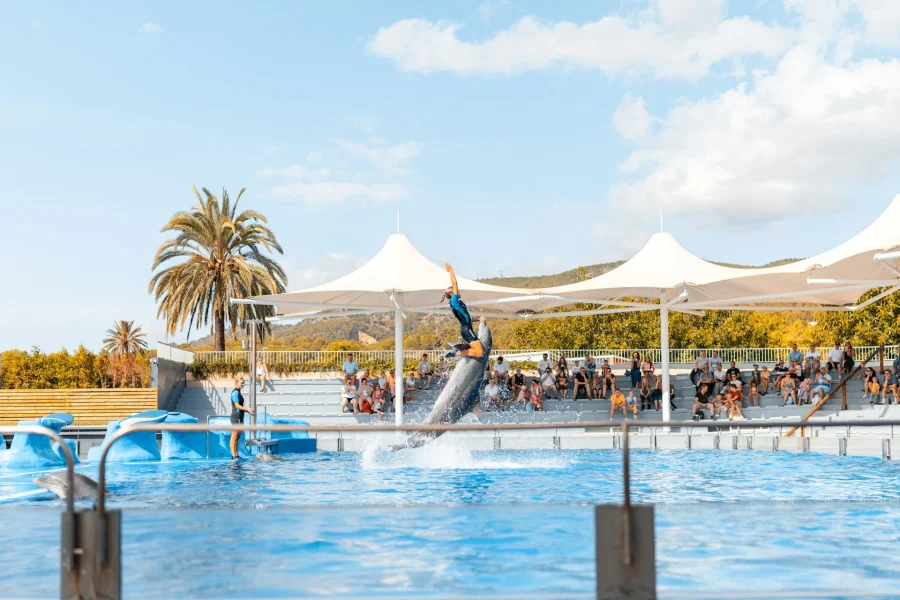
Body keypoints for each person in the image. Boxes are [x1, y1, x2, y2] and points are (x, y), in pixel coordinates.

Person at [443, 263, 485, 358]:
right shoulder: (454, 302)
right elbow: (455, 283)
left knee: (477, 351)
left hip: (466, 328)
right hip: (466, 329)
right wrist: (451, 270)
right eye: (457, 291)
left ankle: (462, 349)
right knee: (479, 353)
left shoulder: (459, 302)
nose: (459, 292)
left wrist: (479, 319)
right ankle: (457, 352)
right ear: (452, 293)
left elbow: (467, 318)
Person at [229, 376, 254, 460]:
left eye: (244, 383)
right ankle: (233, 455)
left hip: (240, 417)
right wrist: (246, 409)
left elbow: (241, 406)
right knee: (234, 436)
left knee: (237, 437)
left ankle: (236, 454)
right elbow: (236, 405)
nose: (243, 384)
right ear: (236, 383)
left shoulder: (238, 392)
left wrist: (248, 411)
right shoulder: (235, 392)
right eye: (241, 383)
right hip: (236, 417)